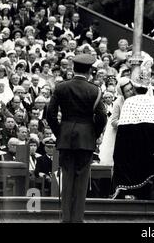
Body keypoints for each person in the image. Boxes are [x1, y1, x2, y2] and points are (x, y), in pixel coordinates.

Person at [47, 53, 107, 223]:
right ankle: (77, 219)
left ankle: (65, 218)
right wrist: (94, 133)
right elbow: (102, 116)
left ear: (73, 69)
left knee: (67, 178)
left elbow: (50, 114)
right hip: (86, 138)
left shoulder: (61, 87)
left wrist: (60, 132)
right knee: (81, 181)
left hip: (66, 137)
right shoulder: (95, 90)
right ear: (90, 71)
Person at [112, 86, 154, 200]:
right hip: (153, 137)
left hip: (133, 137)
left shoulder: (129, 102)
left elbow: (123, 131)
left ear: (134, 90)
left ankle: (136, 189)